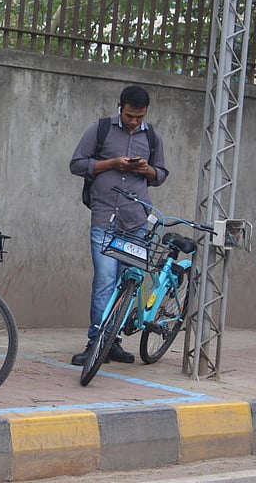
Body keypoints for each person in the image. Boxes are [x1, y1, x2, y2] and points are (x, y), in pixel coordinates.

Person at [68, 85, 168, 367]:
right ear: (119, 106)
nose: (133, 121)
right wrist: (112, 163)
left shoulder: (152, 136)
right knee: (104, 280)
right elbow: (76, 164)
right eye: (129, 116)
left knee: (128, 283)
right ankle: (95, 343)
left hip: (136, 221)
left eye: (139, 117)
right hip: (104, 219)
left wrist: (146, 170)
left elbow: (160, 174)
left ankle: (114, 343)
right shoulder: (98, 129)